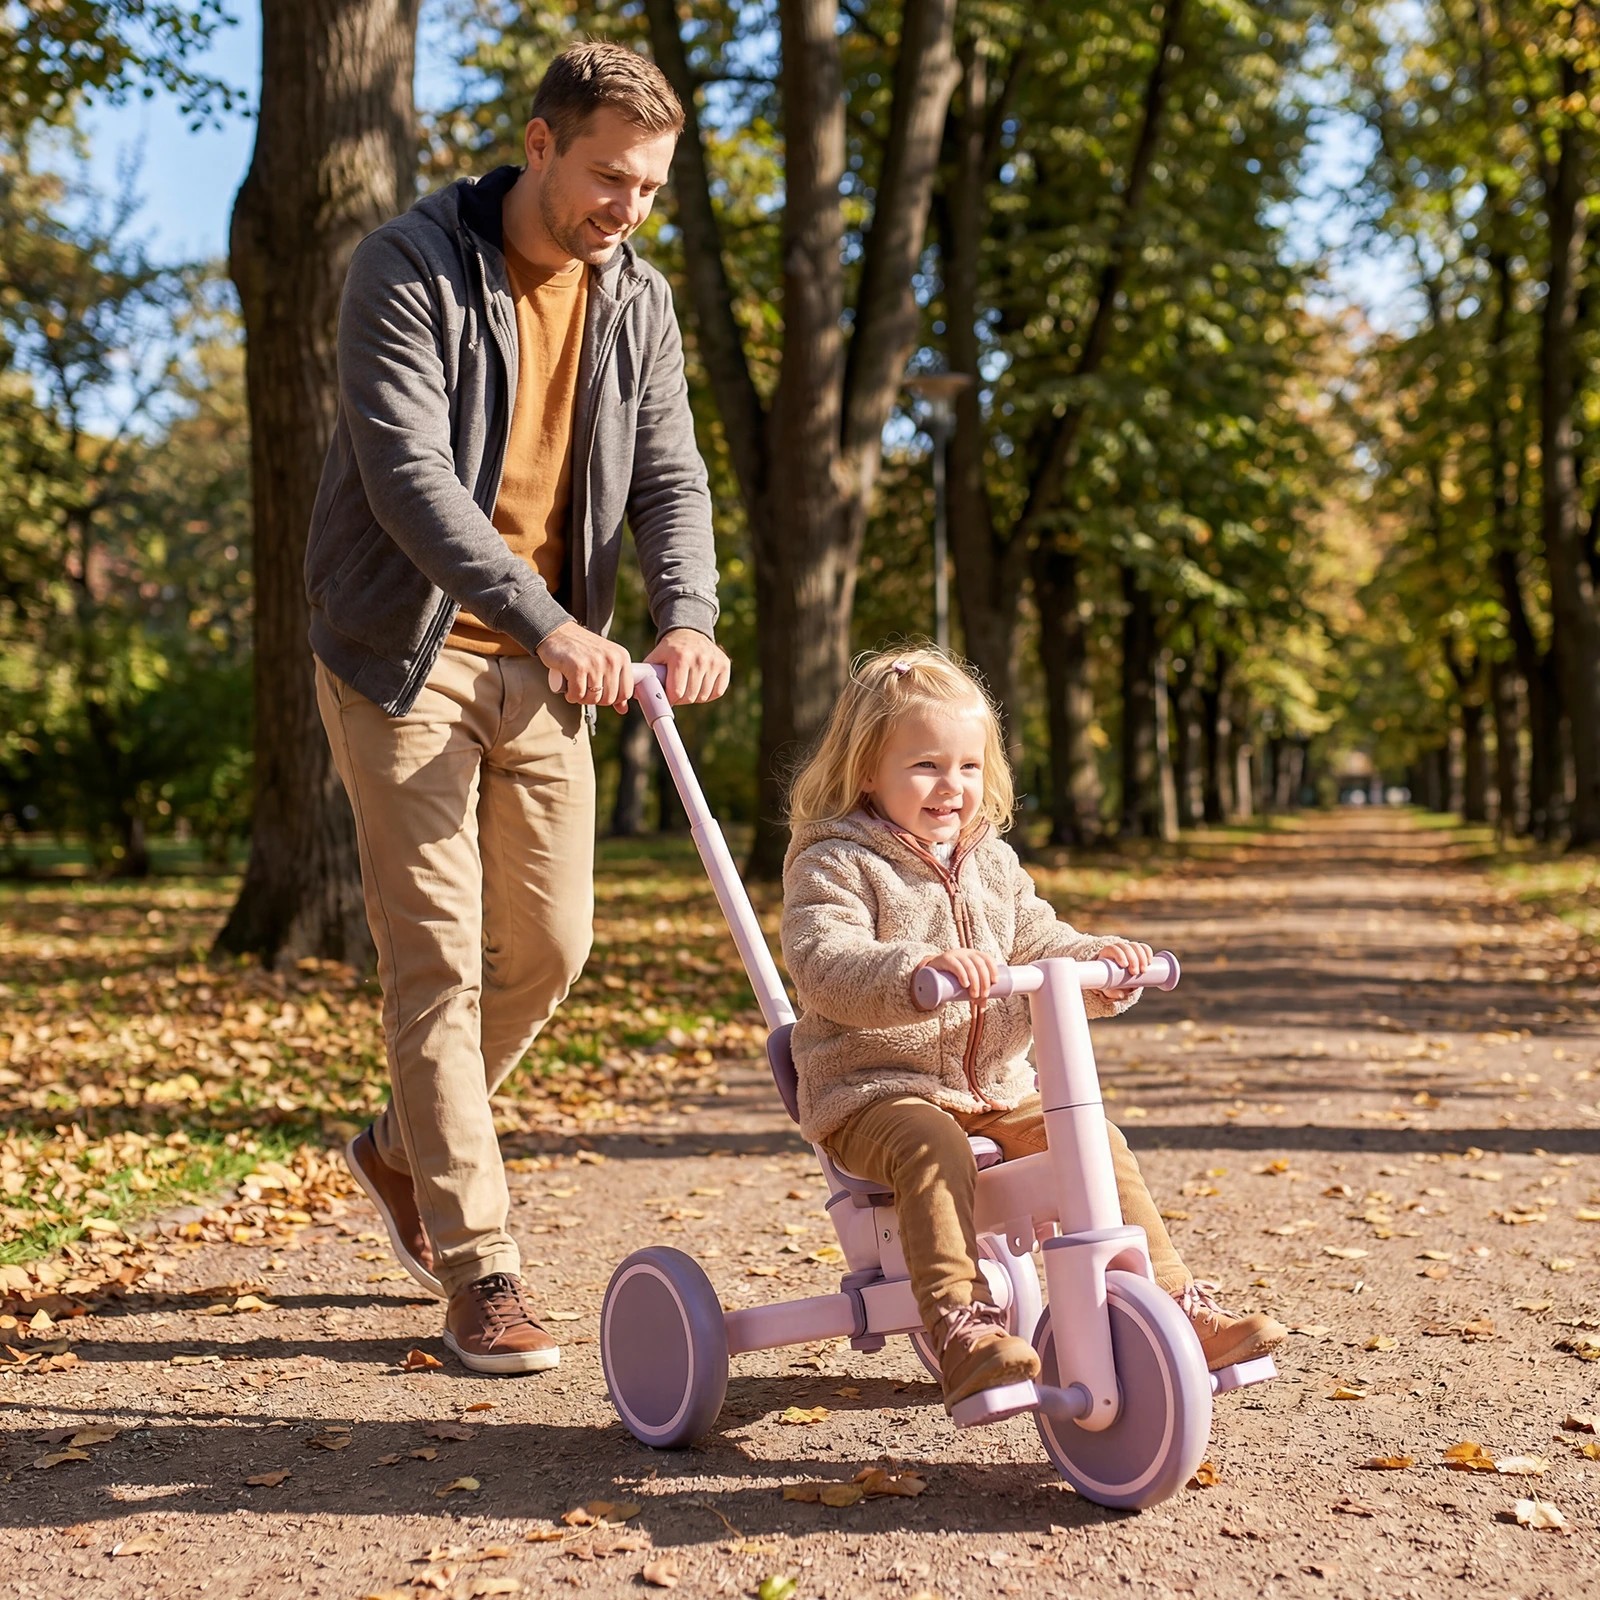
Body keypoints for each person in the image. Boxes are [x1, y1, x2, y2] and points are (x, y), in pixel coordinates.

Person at [304, 41, 729, 1375]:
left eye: (651, 187)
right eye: (610, 175)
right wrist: (548, 618)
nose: (627, 207)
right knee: (434, 957)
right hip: (404, 651)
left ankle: (395, 1144)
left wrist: (689, 615)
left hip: (553, 667)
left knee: (549, 947)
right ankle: (479, 1264)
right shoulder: (407, 265)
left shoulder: (635, 299)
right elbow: (409, 479)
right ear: (540, 145)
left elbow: (672, 473)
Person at [780, 646, 1285, 1413]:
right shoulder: (836, 863)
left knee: (1093, 1142)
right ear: (866, 772)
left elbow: (1040, 941)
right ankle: (960, 1324)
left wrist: (1099, 964)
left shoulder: (992, 862)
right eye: (924, 766)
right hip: (876, 1089)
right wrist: (916, 972)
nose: (951, 787)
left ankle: (1174, 1300)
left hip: (997, 1090)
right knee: (932, 1143)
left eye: (968, 768)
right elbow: (826, 960)